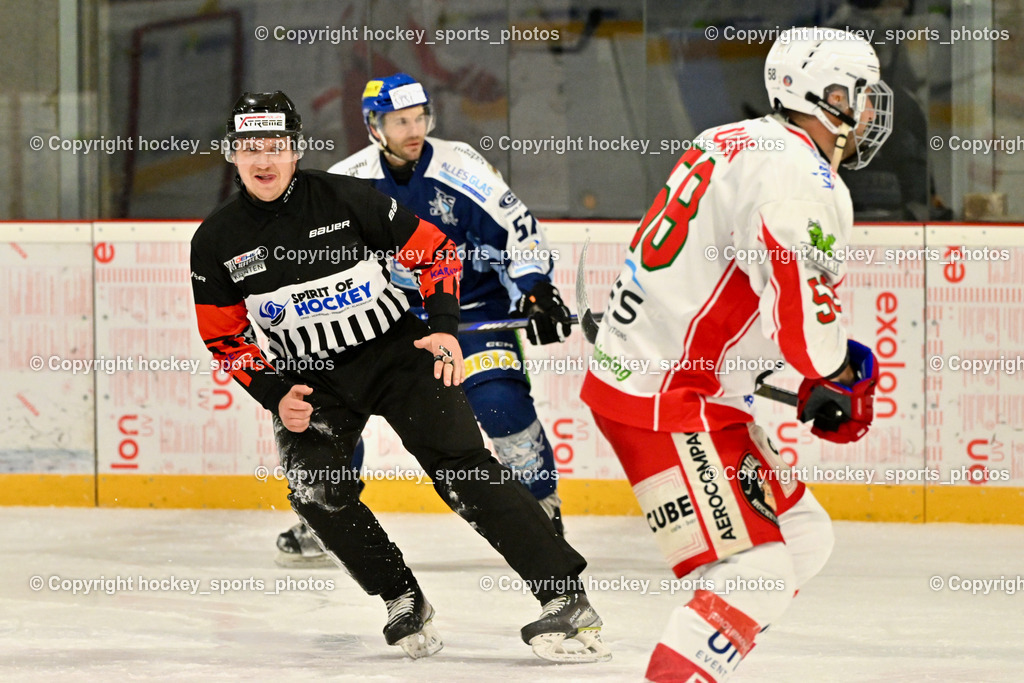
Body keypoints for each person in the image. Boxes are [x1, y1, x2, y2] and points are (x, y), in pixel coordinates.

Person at [190, 91, 609, 662]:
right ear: (232, 154)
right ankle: (400, 595)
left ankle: (564, 595)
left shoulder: (345, 196)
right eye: (250, 148)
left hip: (394, 353)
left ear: (296, 149)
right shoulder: (215, 240)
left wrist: (443, 326)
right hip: (308, 378)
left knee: (465, 470)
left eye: (276, 146)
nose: (264, 160)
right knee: (315, 492)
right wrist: (273, 392)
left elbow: (436, 252)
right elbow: (225, 337)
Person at [580, 28, 888, 681]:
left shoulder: (728, 138)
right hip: (667, 397)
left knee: (803, 535)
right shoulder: (802, 178)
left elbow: (712, 277)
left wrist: (803, 367)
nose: (868, 110)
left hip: (675, 381)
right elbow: (802, 319)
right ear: (830, 97)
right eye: (861, 93)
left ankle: (699, 653)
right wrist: (835, 371)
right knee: (759, 574)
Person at [274, 72, 572, 566]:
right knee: (327, 409)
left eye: (419, 118)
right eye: (400, 122)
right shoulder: (350, 179)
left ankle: (541, 507)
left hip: (470, 310)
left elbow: (516, 230)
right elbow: (316, 255)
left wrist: (536, 290)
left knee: (500, 403)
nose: (414, 130)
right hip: (386, 321)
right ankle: (326, 515)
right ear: (374, 127)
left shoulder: (462, 166)